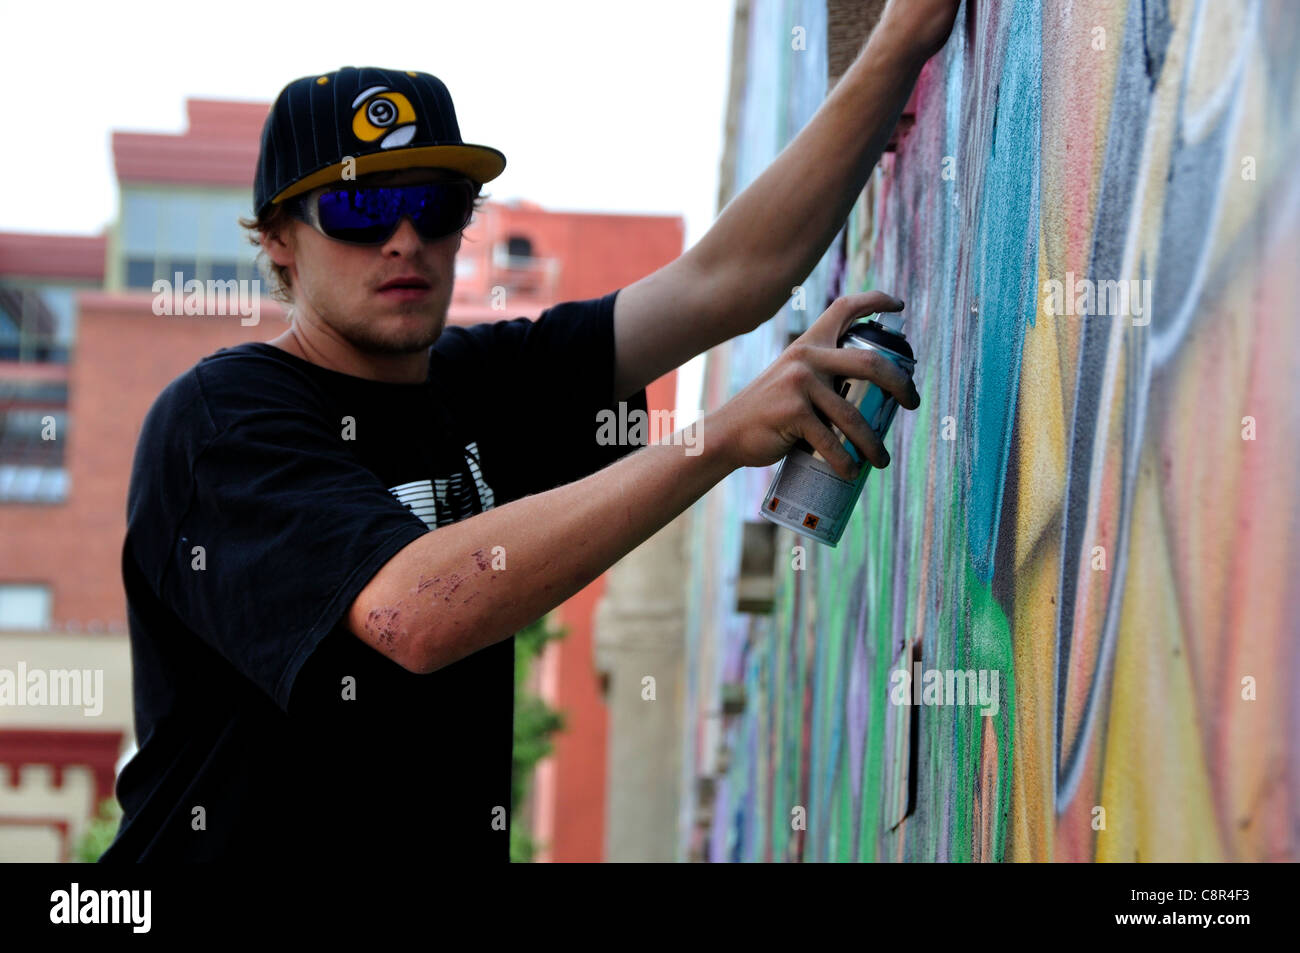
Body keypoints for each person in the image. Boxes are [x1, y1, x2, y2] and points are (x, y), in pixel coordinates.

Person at [101, 0, 958, 862]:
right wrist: (719, 436)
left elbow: (728, 280)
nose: (406, 239)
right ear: (280, 239)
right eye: (363, 209)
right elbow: (411, 613)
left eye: (437, 206)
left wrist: (901, 37)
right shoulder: (223, 421)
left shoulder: (480, 382)